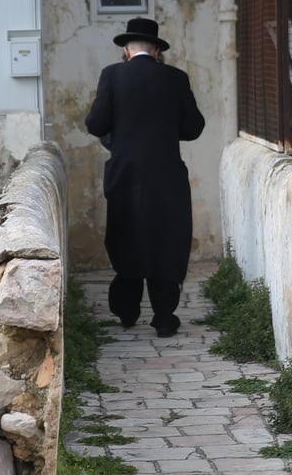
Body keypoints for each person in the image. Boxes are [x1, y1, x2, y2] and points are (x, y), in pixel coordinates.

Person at [85, 17, 205, 337]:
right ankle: (164, 317)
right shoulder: (176, 78)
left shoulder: (111, 75)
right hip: (166, 175)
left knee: (126, 234)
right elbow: (194, 127)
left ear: (126, 50)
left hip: (125, 174)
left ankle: (126, 310)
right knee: (166, 238)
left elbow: (95, 124)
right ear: (155, 51)